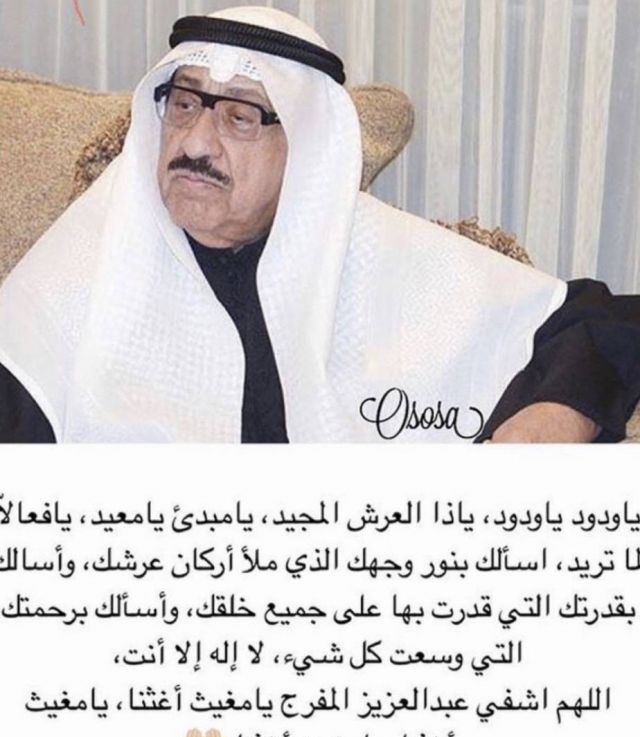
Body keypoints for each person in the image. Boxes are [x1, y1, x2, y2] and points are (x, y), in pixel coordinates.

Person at [0, 5, 638, 443]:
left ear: (305, 148)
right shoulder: (85, 262)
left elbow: (598, 322)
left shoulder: (368, 248)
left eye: (240, 117)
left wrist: (556, 417)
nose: (194, 141)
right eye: (186, 104)